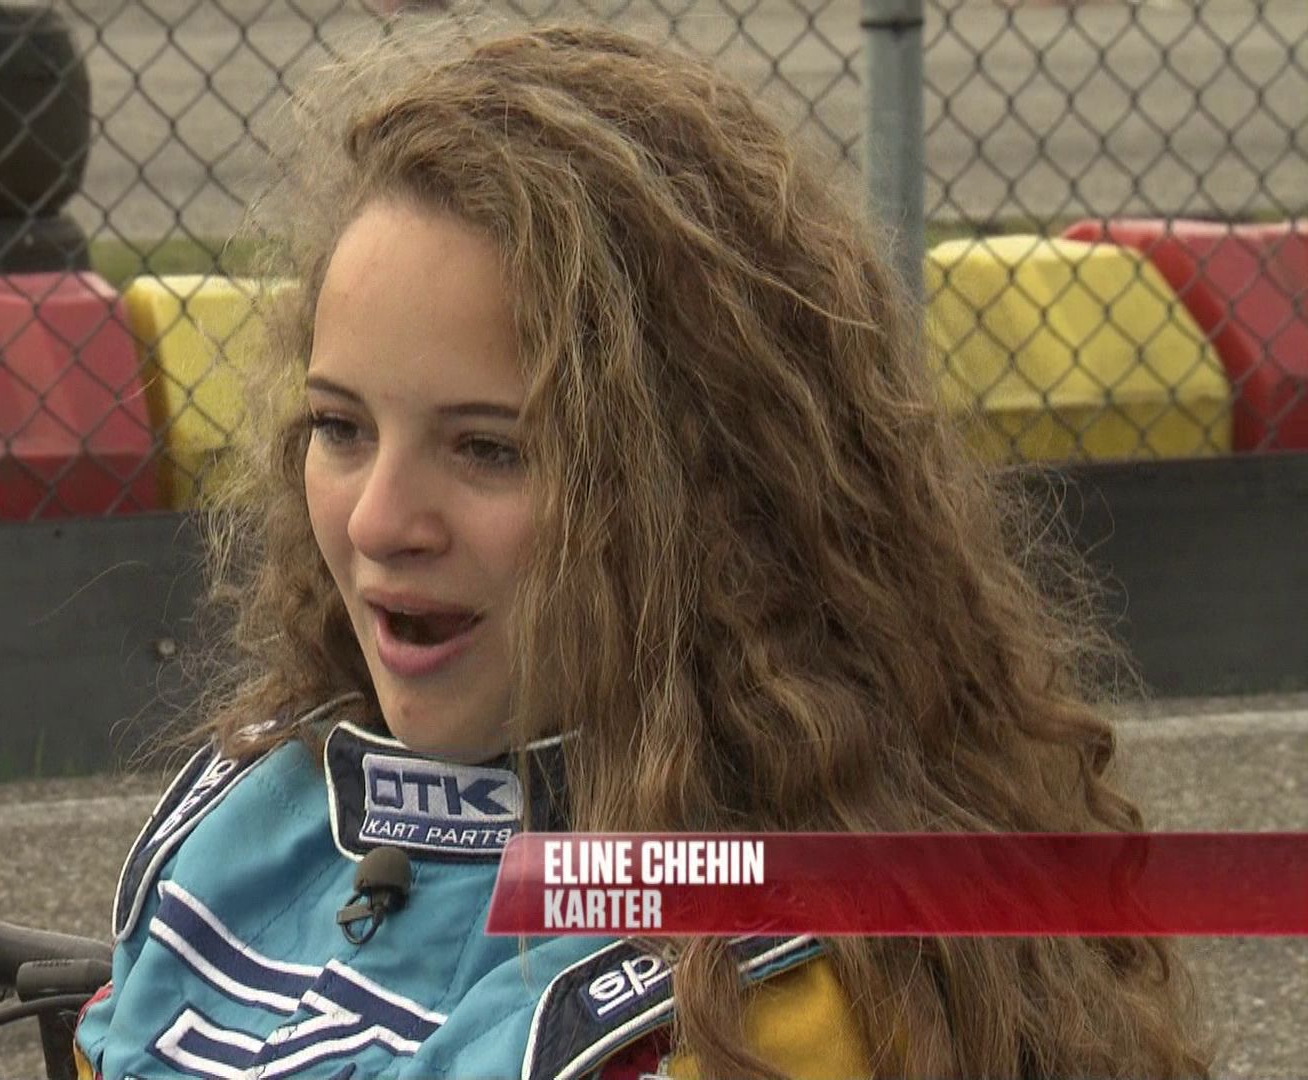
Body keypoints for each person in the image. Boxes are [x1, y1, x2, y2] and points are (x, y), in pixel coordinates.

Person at [71, 21, 1214, 1080]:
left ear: (710, 501)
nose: (378, 521)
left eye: (488, 449)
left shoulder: (757, 997)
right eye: (340, 428)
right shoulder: (238, 826)